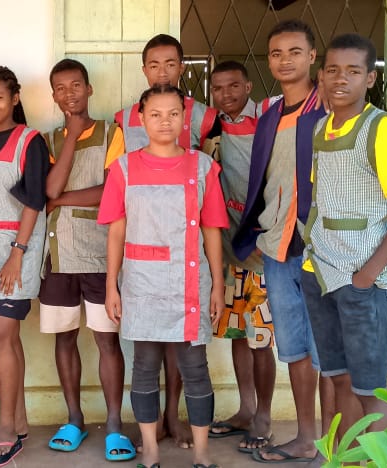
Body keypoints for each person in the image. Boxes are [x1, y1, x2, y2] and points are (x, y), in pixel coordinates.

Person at [302, 33, 387, 462]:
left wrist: (368, 274)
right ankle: (346, 459)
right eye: (333, 70)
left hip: (362, 282)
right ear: (320, 75)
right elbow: (324, 202)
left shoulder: (382, 130)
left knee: (370, 391)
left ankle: (379, 461)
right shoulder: (321, 127)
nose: (341, 79)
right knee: (338, 380)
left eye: (353, 71)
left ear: (370, 79)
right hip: (322, 273)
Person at [99, 84, 226, 468]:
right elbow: (116, 231)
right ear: (141, 119)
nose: (165, 121)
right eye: (156, 114)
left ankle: (202, 454)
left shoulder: (202, 166)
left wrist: (218, 285)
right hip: (141, 283)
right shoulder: (123, 168)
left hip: (189, 283)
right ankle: (151, 450)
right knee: (144, 367)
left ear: (184, 118)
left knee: (195, 369)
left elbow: (212, 229)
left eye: (173, 113)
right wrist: (111, 286)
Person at [231, 19, 332, 464]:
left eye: (294, 51)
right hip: (278, 244)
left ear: (313, 56)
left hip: (322, 246)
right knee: (293, 347)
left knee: (328, 347)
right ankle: (306, 437)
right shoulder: (270, 114)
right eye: (276, 53)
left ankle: (334, 442)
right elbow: (263, 181)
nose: (285, 60)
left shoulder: (330, 107)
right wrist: (252, 232)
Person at [40, 58, 134, 461]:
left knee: (106, 340)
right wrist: (73, 135)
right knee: (65, 338)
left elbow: (112, 191)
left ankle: (114, 424)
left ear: (89, 89)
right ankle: (74, 417)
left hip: (100, 255)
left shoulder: (114, 133)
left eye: (75, 85)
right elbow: (49, 186)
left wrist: (57, 200)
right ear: (53, 95)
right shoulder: (47, 141)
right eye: (60, 88)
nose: (68, 94)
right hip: (58, 255)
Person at [0, 66, 50, 468]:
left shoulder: (30, 141)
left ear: (15, 98)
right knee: (7, 339)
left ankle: (5, 426)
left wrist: (18, 251)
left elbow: (35, 200)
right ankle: (17, 421)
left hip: (17, 251)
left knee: (0, 337)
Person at [205, 60, 278, 455]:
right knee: (237, 334)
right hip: (230, 252)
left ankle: (264, 414)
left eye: (234, 86)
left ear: (249, 86)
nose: (227, 94)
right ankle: (246, 408)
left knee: (261, 339)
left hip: (262, 251)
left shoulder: (268, 120)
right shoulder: (213, 128)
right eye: (218, 88)